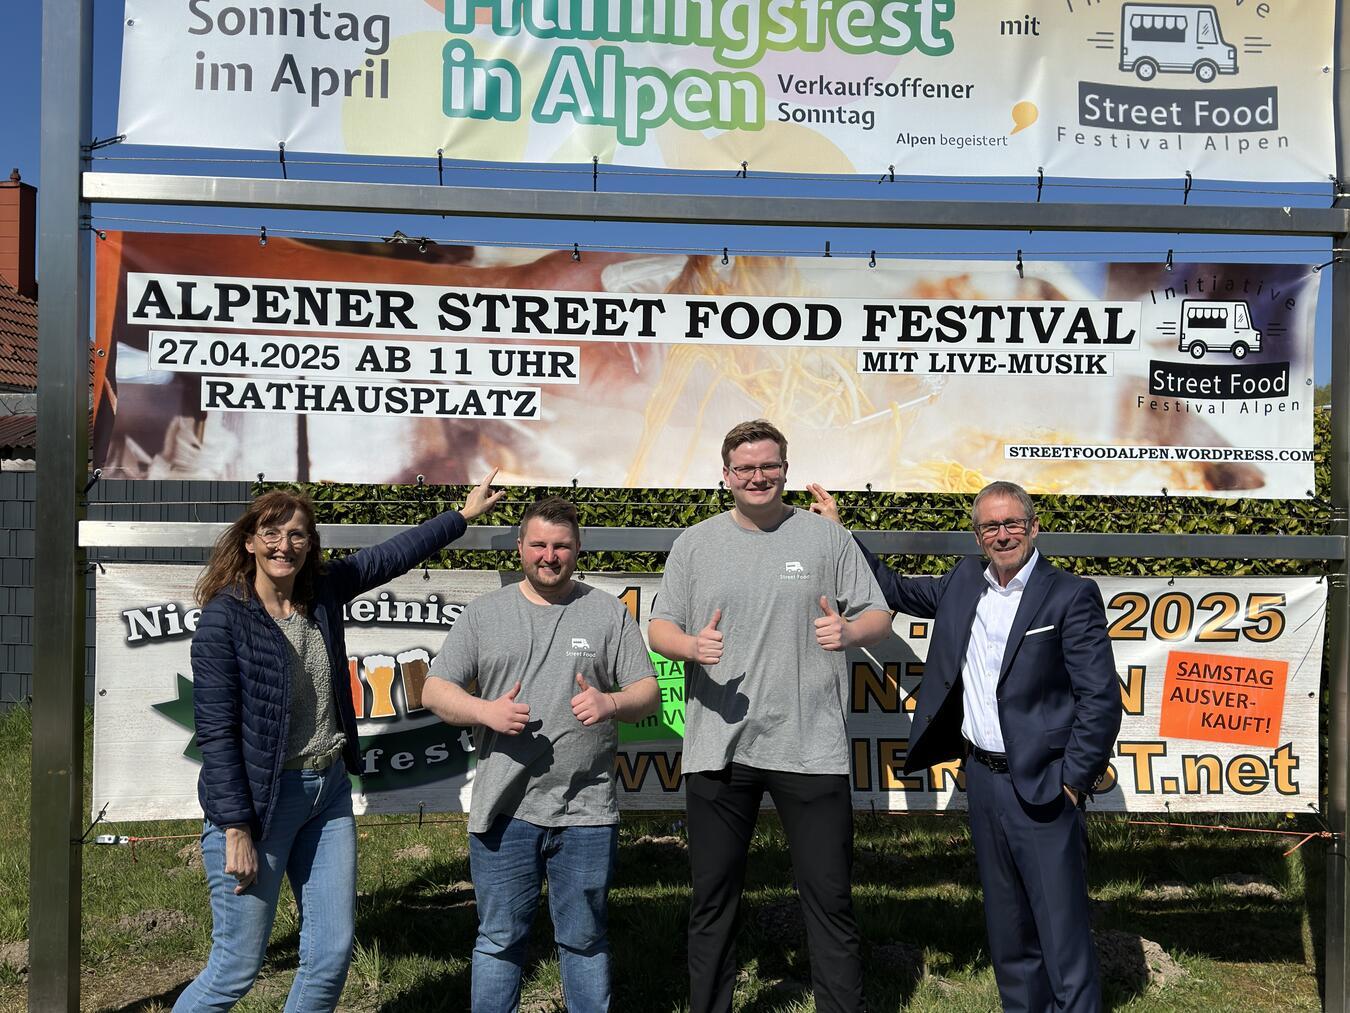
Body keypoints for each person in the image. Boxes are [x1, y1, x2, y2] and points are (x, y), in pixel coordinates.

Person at [176, 471, 504, 1012]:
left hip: (326, 795)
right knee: (235, 968)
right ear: (251, 541)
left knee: (329, 958)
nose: (286, 546)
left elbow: (389, 556)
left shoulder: (320, 592)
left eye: (299, 534)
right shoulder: (224, 620)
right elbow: (216, 732)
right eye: (273, 534)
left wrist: (461, 517)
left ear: (311, 543)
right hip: (260, 806)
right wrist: (235, 828)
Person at [809, 479, 1121, 1013]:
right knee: (1008, 931)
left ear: (1033, 527)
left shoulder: (1070, 593)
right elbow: (897, 590)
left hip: (1045, 787)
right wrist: (841, 534)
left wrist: (1072, 781)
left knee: (1062, 936)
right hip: (982, 780)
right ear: (977, 535)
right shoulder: (963, 583)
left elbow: (1100, 699)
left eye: (1012, 524)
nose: (1003, 535)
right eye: (990, 526)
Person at [647, 419, 894, 1013]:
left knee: (830, 900)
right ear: (725, 475)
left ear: (785, 469)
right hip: (719, 747)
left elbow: (879, 617)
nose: (758, 476)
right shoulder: (695, 544)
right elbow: (658, 627)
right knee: (712, 900)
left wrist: (849, 630)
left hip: (811, 746)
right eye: (745, 468)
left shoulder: (826, 539)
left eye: (769, 466)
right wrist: (689, 647)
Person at [422, 496, 660, 1013]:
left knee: (584, 938)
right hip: (505, 809)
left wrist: (610, 701)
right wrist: (485, 711)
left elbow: (648, 695)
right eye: (539, 545)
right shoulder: (486, 614)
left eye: (561, 546)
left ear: (578, 549)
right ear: (520, 547)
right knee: (500, 939)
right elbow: (435, 691)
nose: (549, 555)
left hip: (587, 810)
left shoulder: (607, 612)